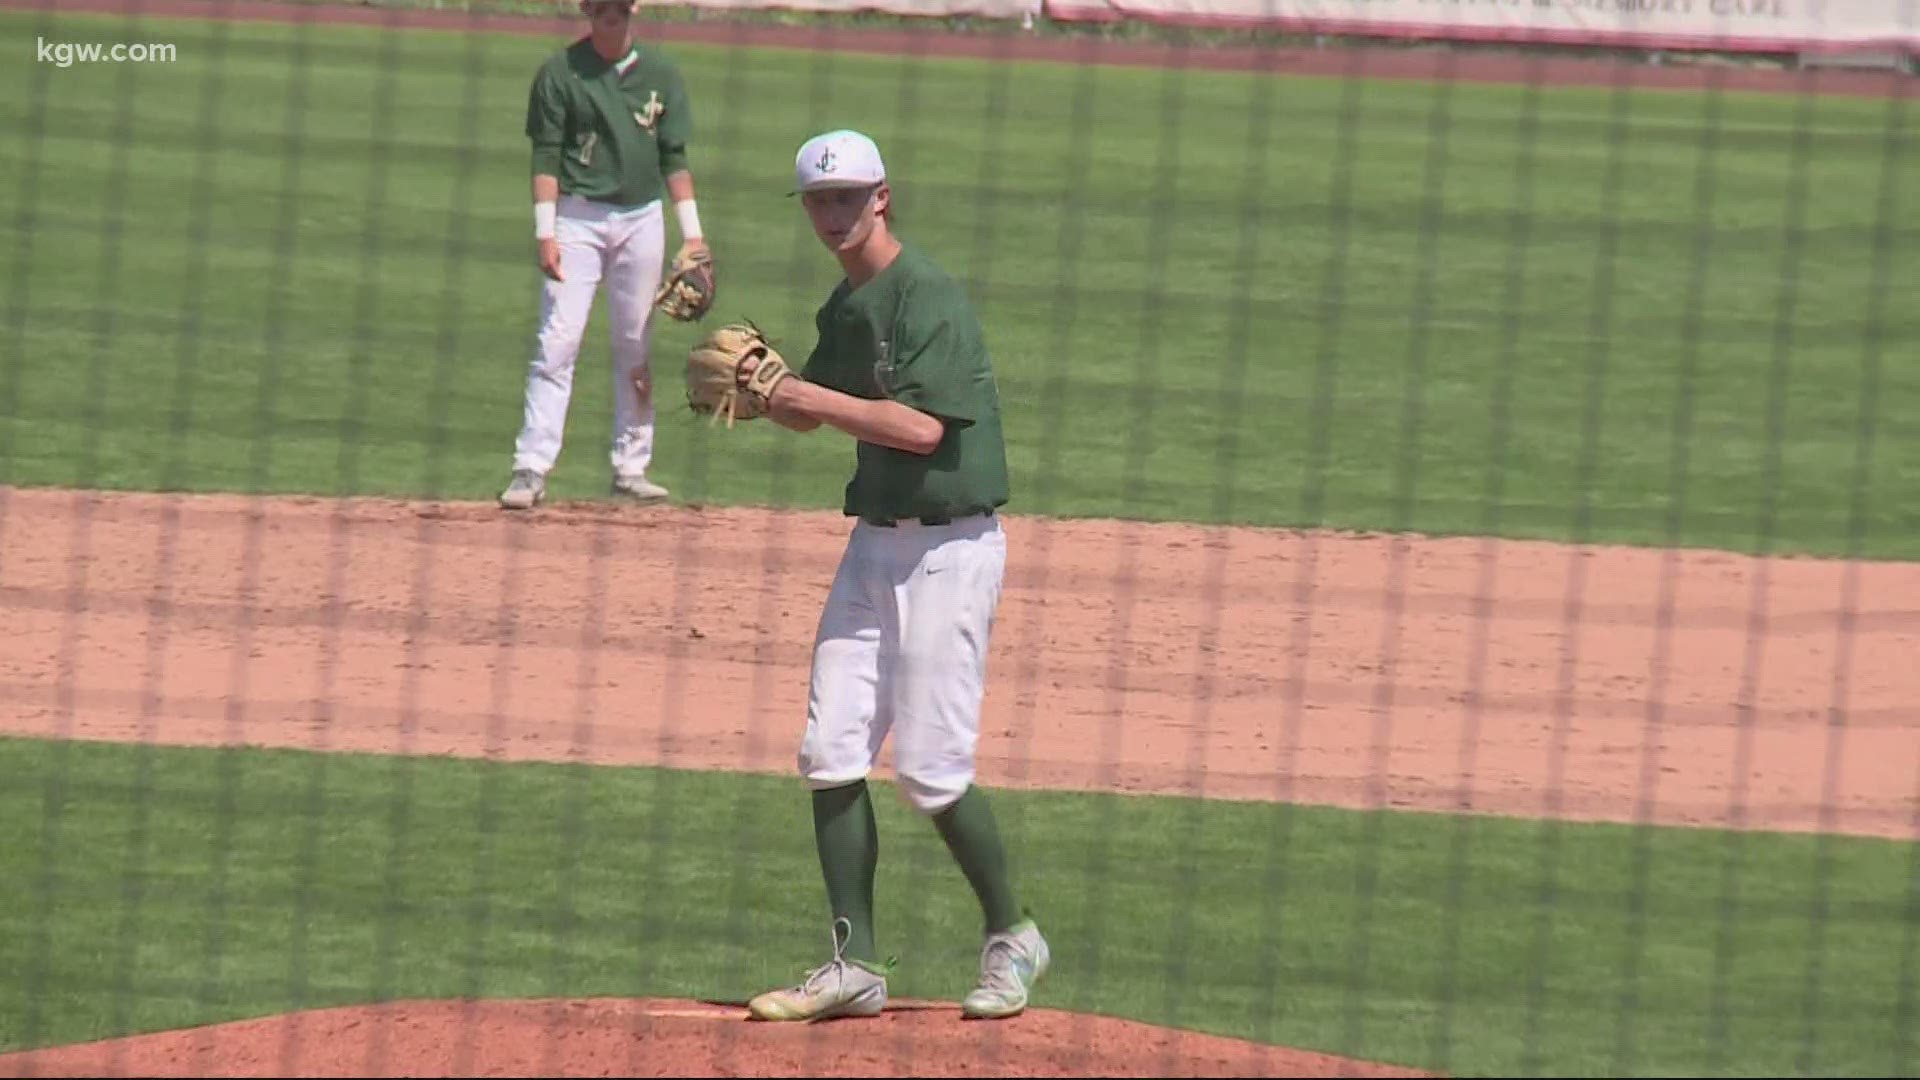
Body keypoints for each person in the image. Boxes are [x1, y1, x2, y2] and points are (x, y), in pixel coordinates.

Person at [739, 129, 1049, 1023]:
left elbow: (920, 431)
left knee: (929, 771)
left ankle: (1011, 935)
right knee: (828, 749)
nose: (833, 214)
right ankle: (855, 964)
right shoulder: (847, 307)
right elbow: (817, 407)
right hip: (874, 546)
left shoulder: (929, 296)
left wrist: (805, 399)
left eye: (849, 197)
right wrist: (767, 396)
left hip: (951, 552)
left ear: (883, 198)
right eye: (818, 201)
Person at [499, 0, 704, 510]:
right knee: (558, 341)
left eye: (618, 3)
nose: (609, 11)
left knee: (635, 344)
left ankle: (632, 468)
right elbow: (545, 155)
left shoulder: (660, 73)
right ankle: (531, 466)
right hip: (576, 218)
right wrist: (546, 232)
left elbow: (673, 158)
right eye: (599, 4)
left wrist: (694, 235)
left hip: (642, 219)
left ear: (631, 7)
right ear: (586, 9)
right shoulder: (560, 72)